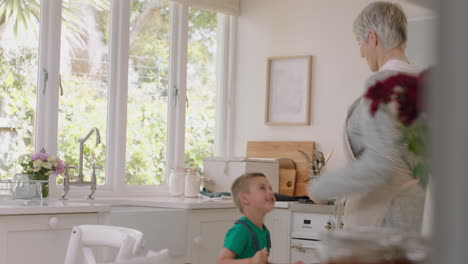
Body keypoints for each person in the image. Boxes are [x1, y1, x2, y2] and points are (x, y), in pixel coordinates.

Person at [308, 1, 426, 232]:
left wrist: (321, 187)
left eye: (359, 42)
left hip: (379, 221)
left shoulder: (383, 84)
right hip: (413, 217)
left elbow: (384, 163)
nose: (361, 52)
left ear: (372, 37)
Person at [217, 172, 303, 264]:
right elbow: (222, 261)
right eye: (262, 188)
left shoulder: (264, 231)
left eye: (270, 188)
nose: (270, 192)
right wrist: (251, 261)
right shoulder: (240, 230)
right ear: (245, 198)